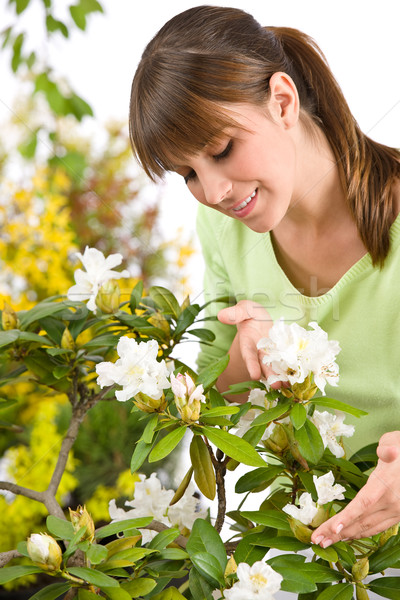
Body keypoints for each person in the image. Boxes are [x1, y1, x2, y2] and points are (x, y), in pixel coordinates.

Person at [128, 5, 400, 550]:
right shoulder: (223, 228)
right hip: (298, 549)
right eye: (189, 174)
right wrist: (243, 353)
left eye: (222, 150)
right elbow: (209, 404)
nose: (214, 192)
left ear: (282, 101)